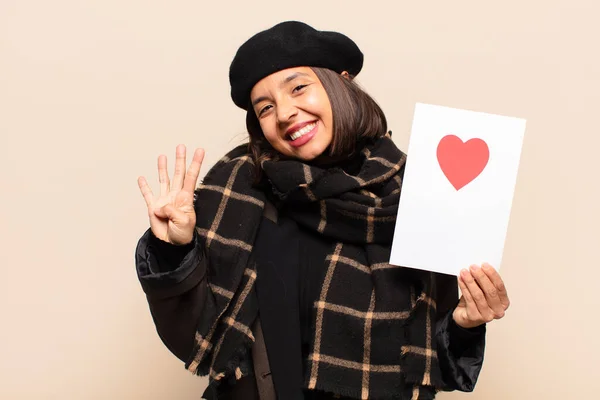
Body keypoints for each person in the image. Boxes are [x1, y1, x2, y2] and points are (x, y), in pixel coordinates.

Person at [134, 21, 510, 400]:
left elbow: (428, 357)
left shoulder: (419, 194)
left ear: (341, 83)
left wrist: (465, 323)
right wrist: (174, 250)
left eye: (298, 87)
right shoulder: (239, 191)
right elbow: (196, 337)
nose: (284, 113)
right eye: (265, 108)